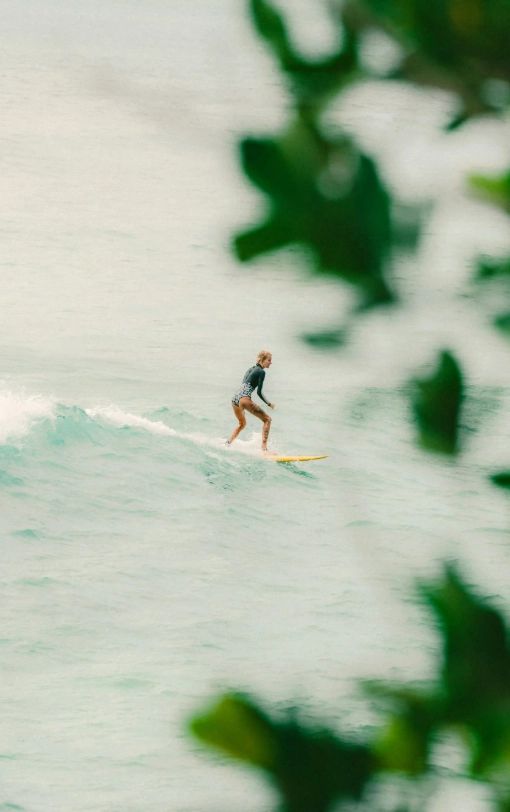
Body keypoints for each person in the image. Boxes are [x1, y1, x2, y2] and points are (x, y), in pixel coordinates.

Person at [227, 350, 275, 451]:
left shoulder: (251, 369)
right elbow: (259, 392)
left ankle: (228, 443)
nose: (271, 362)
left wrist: (242, 405)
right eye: (269, 360)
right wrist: (268, 403)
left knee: (242, 424)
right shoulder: (262, 372)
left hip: (235, 398)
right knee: (267, 420)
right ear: (262, 359)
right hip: (244, 398)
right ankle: (264, 449)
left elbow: (244, 384)